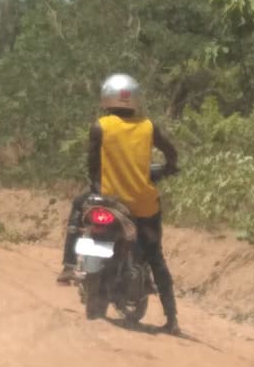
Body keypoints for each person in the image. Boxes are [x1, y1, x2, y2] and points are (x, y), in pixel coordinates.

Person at [56, 74, 181, 335]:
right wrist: (169, 168)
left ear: (106, 97)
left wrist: (97, 189)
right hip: (142, 205)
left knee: (78, 207)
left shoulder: (101, 126)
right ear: (135, 98)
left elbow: (93, 163)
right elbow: (171, 153)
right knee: (156, 257)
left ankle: (68, 265)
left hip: (108, 200)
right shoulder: (148, 126)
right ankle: (172, 319)